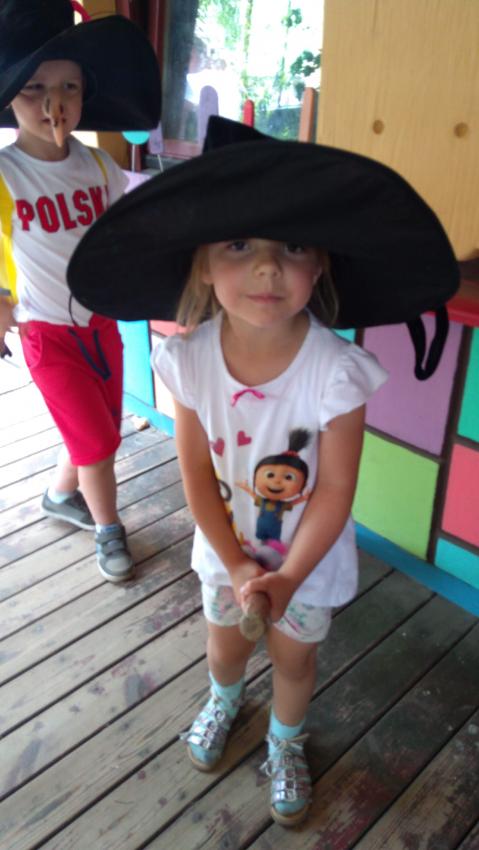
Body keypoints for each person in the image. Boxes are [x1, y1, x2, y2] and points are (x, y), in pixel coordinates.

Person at [65, 116, 459, 826]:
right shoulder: (188, 361)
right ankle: (223, 699)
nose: (268, 268)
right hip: (224, 555)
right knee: (224, 648)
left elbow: (334, 489)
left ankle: (285, 739)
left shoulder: (337, 373)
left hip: (307, 563)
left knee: (294, 661)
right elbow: (194, 471)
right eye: (240, 245)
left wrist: (286, 577)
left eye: (293, 246)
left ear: (322, 264)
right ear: (202, 263)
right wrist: (238, 565)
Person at [0, 0, 161, 582]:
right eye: (34, 87)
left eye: (68, 86)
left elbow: (125, 236)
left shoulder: (100, 167)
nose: (54, 102)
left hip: (102, 323)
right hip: (46, 333)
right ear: (9, 98)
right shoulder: (4, 174)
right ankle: (108, 528)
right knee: (96, 442)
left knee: (100, 429)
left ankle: (60, 495)